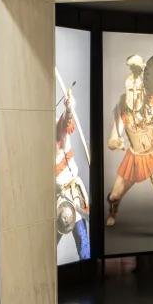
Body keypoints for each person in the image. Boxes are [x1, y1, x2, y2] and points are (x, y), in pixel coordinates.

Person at [106, 54, 153, 242]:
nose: (134, 93)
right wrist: (116, 143)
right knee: (114, 195)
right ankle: (113, 211)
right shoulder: (122, 111)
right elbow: (111, 140)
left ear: (142, 89)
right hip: (134, 158)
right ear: (126, 89)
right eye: (130, 89)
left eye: (137, 89)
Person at [55, 87, 91, 261]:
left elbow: (67, 119)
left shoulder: (57, 127)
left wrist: (69, 107)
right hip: (55, 199)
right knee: (46, 245)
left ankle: (89, 275)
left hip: (71, 194)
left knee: (83, 244)